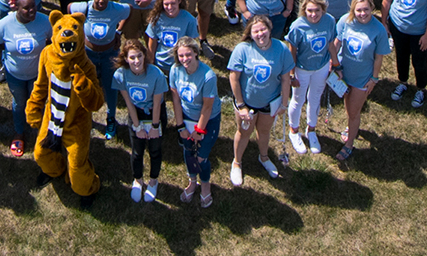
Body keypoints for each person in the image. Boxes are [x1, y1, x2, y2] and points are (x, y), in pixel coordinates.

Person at [227, 13, 295, 186]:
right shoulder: (242, 49)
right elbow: (234, 78)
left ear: (270, 29)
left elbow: (286, 79)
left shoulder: (281, 49)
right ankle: (237, 162)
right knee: (244, 133)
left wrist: (284, 103)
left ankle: (264, 157)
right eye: (256, 31)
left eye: (263, 29)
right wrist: (241, 105)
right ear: (250, 33)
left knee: (264, 132)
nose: (260, 34)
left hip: (269, 102)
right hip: (247, 103)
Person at [0, 0, 52, 157]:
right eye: (26, 8)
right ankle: (19, 132)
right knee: (19, 103)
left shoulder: (45, 21)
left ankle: (40, 130)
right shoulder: (5, 24)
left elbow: (53, 41)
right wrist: (9, 52)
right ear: (16, 7)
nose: (31, 11)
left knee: (38, 102)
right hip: (15, 75)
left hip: (38, 75)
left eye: (33, 6)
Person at [69, 0, 131, 139]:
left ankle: (111, 119)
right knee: (86, 86)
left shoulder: (116, 8)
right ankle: (84, 118)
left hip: (109, 54)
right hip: (88, 54)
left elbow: (128, 11)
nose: (101, 1)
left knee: (111, 88)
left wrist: (118, 31)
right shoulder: (84, 7)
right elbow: (69, 9)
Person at [332, 0, 390, 161]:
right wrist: (334, 64)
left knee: (354, 112)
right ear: (353, 10)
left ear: (372, 8)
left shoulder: (378, 29)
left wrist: (374, 79)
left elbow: (379, 57)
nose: (362, 14)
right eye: (358, 10)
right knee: (348, 105)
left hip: (362, 78)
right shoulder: (345, 21)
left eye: (366, 10)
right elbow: (337, 42)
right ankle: (352, 129)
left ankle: (349, 145)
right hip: (343, 73)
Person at [168, 35, 221, 208]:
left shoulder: (208, 76)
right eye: (181, 55)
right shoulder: (175, 70)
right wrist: (180, 126)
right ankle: (192, 181)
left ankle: (205, 185)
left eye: (188, 55)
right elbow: (176, 100)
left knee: (201, 157)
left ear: (196, 53)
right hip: (187, 118)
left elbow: (207, 108)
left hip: (208, 120)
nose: (185, 59)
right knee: (189, 152)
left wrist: (199, 130)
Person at [114, 38, 168, 202]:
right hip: (136, 113)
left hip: (155, 113)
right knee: (137, 151)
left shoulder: (156, 74)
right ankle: (138, 180)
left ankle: (153, 180)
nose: (136, 61)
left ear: (145, 55)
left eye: (139, 56)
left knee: (155, 149)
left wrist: (154, 126)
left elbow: (158, 103)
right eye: (132, 57)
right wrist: (137, 126)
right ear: (125, 58)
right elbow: (129, 102)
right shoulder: (120, 75)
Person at [285, 0, 336, 155]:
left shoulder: (329, 21)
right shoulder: (298, 26)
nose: (313, 15)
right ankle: (294, 131)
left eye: (317, 11)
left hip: (320, 67)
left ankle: (311, 130)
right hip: (302, 68)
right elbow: (292, 51)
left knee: (315, 98)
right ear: (304, 11)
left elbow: (330, 44)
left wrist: (335, 63)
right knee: (298, 99)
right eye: (310, 11)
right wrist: (292, 73)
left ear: (323, 10)